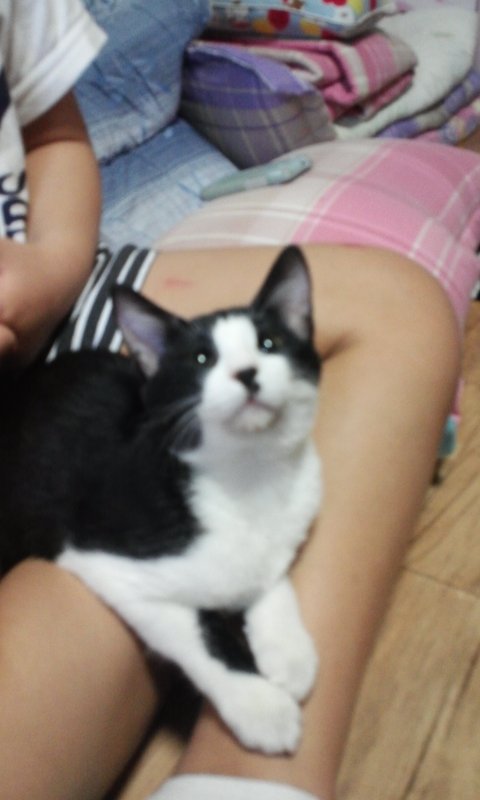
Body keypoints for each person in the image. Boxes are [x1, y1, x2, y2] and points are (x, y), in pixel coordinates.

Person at [0, 2, 465, 800]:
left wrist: (50, 267)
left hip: (48, 312)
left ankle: (256, 771)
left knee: (396, 308)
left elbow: (53, 137)